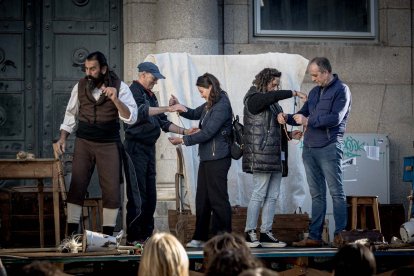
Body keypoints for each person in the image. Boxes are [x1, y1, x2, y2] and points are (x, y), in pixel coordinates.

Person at [54, 51, 138, 236]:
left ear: (103, 69)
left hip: (108, 144)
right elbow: (70, 114)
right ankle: (70, 236)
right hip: (84, 142)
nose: (89, 72)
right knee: (77, 185)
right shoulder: (81, 86)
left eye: (93, 69)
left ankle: (107, 237)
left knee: (111, 190)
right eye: (86, 69)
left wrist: (115, 99)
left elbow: (131, 118)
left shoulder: (120, 87)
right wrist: (63, 138)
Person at [278, 57, 352, 247]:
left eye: (315, 75)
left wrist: (307, 122)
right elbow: (302, 114)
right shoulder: (313, 92)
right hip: (310, 149)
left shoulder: (341, 90)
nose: (313, 79)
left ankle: (340, 236)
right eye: (312, 75)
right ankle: (314, 237)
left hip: (329, 146)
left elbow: (335, 118)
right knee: (317, 195)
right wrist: (286, 117)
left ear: (326, 72)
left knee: (336, 193)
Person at [123, 62, 189, 245]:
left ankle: (147, 235)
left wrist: (186, 132)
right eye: (153, 78)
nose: (155, 82)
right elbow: (140, 112)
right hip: (134, 148)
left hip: (148, 148)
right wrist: (168, 108)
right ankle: (134, 237)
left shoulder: (151, 96)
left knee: (151, 196)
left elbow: (163, 122)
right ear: (143, 74)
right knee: (138, 196)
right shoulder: (133, 92)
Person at [243, 68, 307, 248]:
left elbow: (272, 128)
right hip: (262, 154)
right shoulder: (253, 98)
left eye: (277, 85)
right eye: (273, 84)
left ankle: (265, 233)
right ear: (264, 81)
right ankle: (249, 232)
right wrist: (293, 92)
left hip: (275, 156)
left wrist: (289, 133)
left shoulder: (273, 103)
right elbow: (268, 98)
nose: (275, 88)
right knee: (259, 193)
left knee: (272, 196)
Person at [168, 73, 233, 248]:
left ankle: (223, 239)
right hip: (208, 157)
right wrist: (180, 107)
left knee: (218, 199)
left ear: (210, 87)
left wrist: (183, 140)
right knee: (202, 199)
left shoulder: (222, 105)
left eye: (202, 90)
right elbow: (195, 113)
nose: (200, 94)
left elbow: (208, 133)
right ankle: (200, 237)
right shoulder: (211, 103)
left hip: (218, 158)